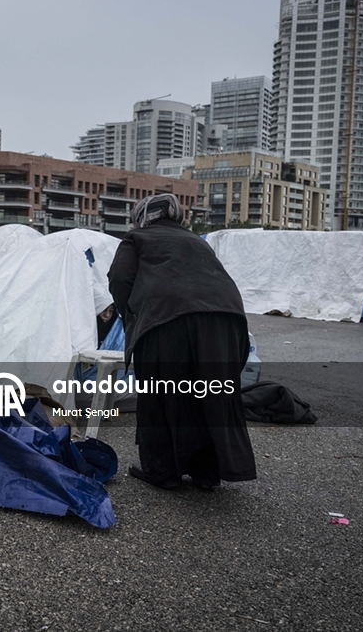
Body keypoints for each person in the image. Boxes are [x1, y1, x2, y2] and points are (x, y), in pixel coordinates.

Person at [107, 193, 256, 490]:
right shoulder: (197, 241)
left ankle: (162, 472)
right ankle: (206, 473)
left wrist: (133, 313)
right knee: (209, 394)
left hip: (168, 319)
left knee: (161, 393)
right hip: (227, 321)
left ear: (142, 216)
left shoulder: (137, 238)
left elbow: (119, 278)